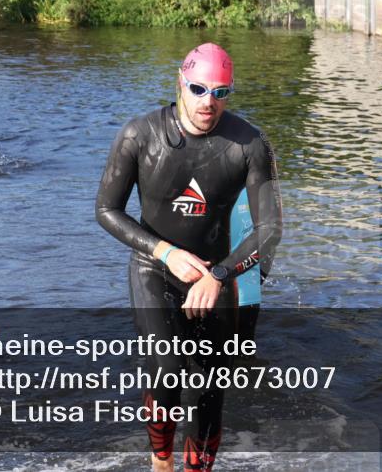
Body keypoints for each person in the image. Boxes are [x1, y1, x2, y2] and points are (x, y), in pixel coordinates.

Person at [96, 43, 282, 472]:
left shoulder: (251, 144)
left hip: (215, 274)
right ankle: (161, 460)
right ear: (181, 83)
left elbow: (270, 229)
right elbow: (106, 210)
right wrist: (164, 251)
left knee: (210, 385)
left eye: (220, 92)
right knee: (167, 368)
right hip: (154, 267)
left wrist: (218, 274)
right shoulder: (138, 135)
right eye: (198, 89)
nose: (208, 102)